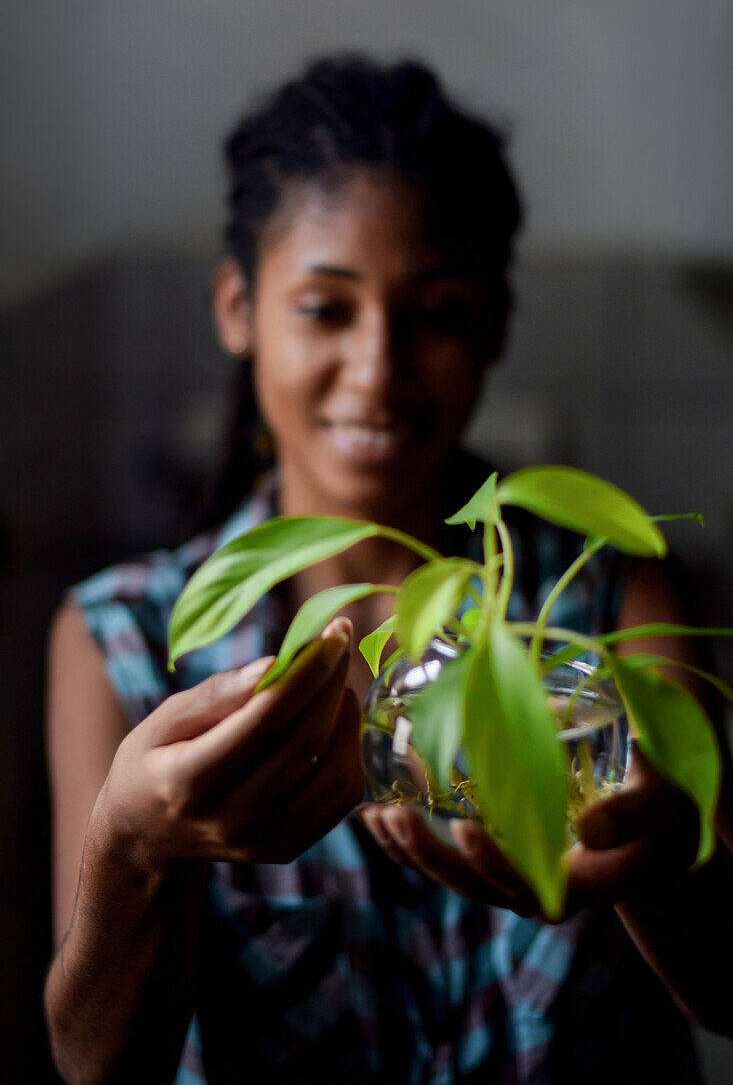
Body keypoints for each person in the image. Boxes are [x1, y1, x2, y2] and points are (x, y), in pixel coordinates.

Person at [44, 56, 733, 1083]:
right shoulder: (132, 637)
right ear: (238, 307)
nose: (377, 368)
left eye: (436, 313)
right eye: (325, 308)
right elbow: (95, 1063)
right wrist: (137, 853)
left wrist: (654, 868)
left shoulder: (599, 590)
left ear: (495, 325)